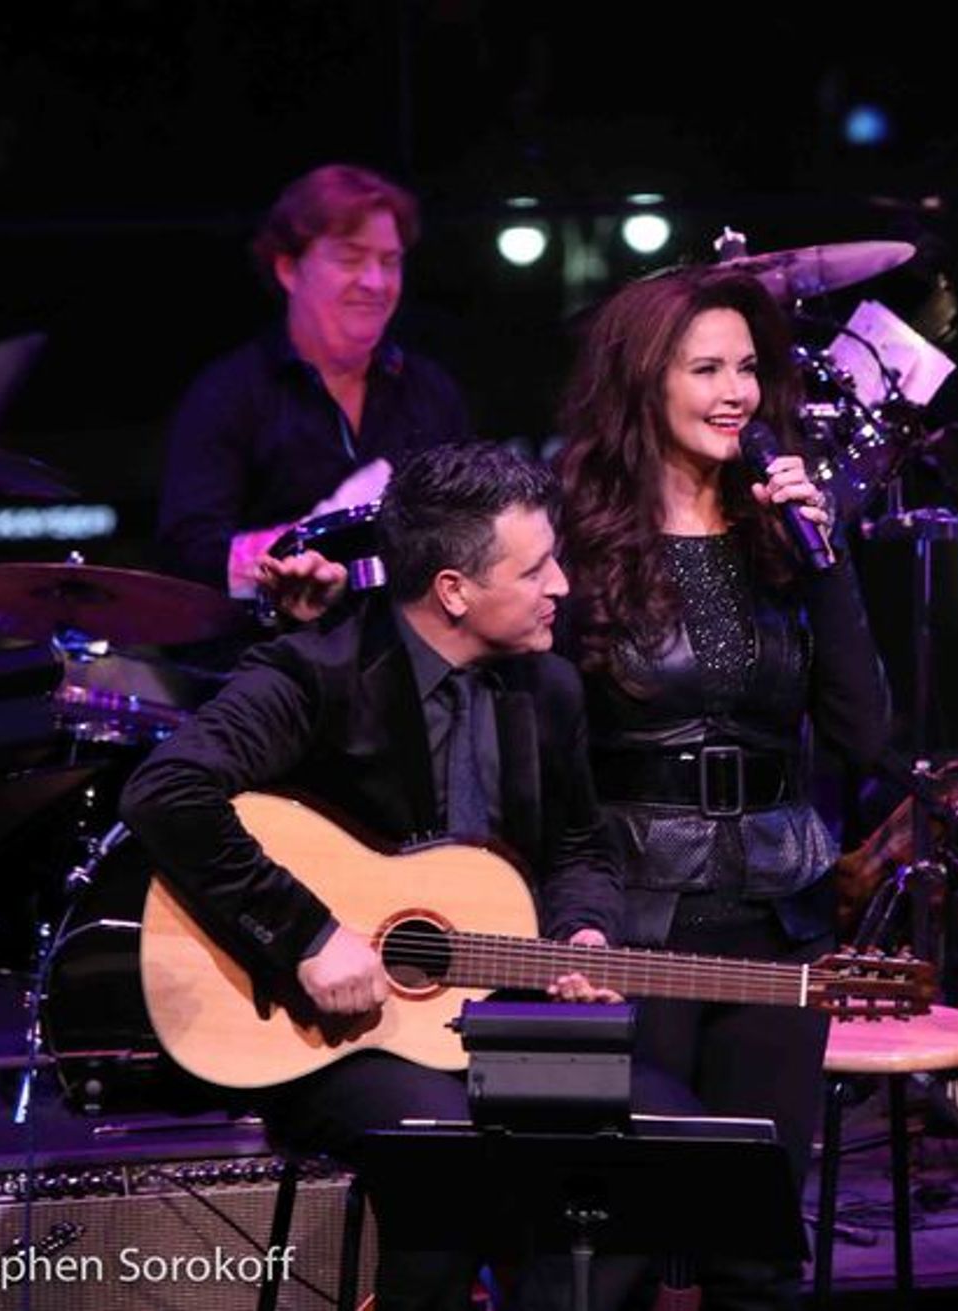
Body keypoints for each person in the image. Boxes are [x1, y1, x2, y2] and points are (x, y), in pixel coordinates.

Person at [121, 442, 623, 1311]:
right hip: (329, 1030)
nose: (563, 586)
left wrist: (582, 929)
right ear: (454, 590)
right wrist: (310, 933)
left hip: (492, 1017)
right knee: (444, 1157)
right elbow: (166, 791)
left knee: (651, 1145)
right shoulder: (318, 671)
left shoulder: (550, 690)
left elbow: (581, 846)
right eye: (536, 567)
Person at [557, 267, 892, 1311]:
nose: (735, 391)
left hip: (775, 922)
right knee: (614, 1248)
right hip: (637, 926)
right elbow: (545, 755)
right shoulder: (576, 541)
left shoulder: (782, 539)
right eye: (705, 368)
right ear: (643, 380)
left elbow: (865, 735)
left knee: (756, 1250)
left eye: (747, 368)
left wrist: (824, 558)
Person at [157, 162, 470, 607]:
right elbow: (188, 555)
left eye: (390, 262)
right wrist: (309, 549)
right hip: (273, 645)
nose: (376, 283)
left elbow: (468, 529)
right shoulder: (227, 394)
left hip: (409, 645)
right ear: (289, 269)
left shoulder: (432, 391)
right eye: (350, 259)